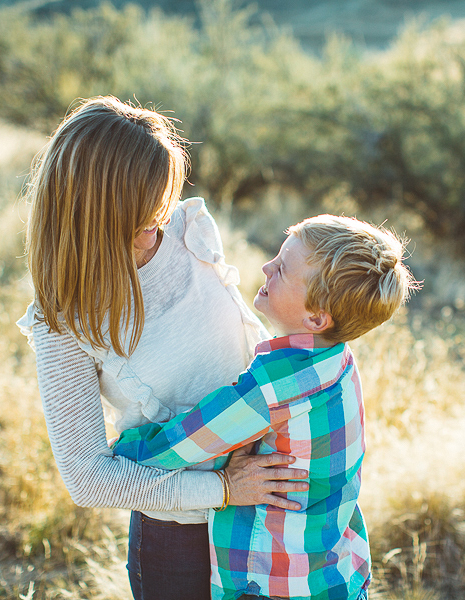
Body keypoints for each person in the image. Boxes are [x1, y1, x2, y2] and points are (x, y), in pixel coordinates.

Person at [17, 96, 309, 600]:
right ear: (92, 216)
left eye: (163, 201)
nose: (159, 221)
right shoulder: (64, 320)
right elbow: (88, 478)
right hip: (181, 539)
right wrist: (221, 490)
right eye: (143, 215)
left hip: (265, 503)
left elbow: (242, 341)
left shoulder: (186, 226)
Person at [112, 214, 419, 600]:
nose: (266, 267)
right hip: (337, 574)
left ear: (316, 317)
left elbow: (185, 443)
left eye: (283, 269)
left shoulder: (277, 386)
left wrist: (123, 450)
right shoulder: (338, 360)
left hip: (273, 584)